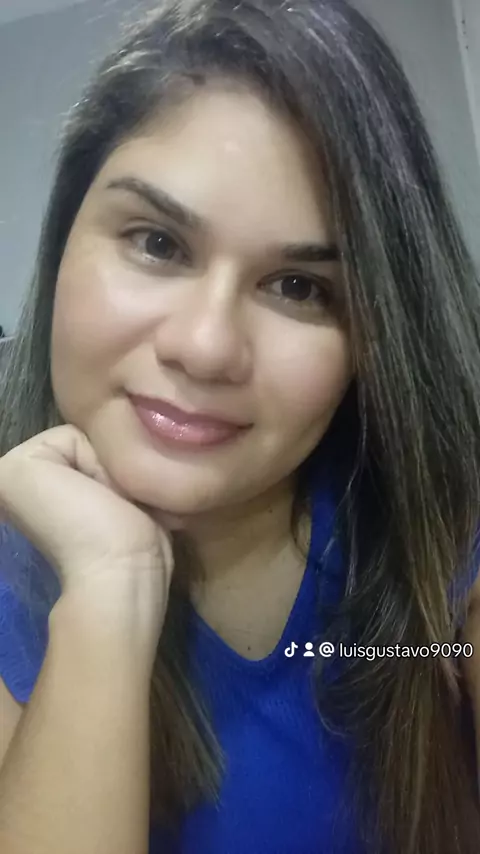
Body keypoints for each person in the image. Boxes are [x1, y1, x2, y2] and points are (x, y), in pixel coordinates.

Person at [0, 0, 479, 851]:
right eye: (157, 243)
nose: (207, 347)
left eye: (299, 287)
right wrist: (110, 589)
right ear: (64, 238)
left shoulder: (443, 546)